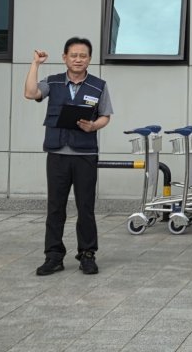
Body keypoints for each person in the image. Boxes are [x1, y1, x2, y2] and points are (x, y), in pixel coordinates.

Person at [24, 37, 113, 276]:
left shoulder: (98, 85)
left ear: (89, 59)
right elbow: (30, 93)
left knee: (86, 207)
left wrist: (93, 126)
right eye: (73, 55)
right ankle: (53, 256)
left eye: (83, 56)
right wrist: (35, 64)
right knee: (55, 207)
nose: (78, 60)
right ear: (65, 58)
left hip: (85, 154)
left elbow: (105, 115)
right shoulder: (52, 82)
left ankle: (87, 254)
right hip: (57, 154)